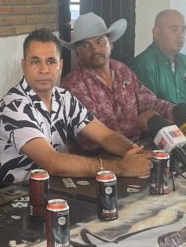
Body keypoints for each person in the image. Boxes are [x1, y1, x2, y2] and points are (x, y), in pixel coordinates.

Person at [0, 28, 152, 187]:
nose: (44, 70)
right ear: (24, 65)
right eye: (35, 62)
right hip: (10, 197)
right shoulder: (14, 107)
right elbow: (52, 162)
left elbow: (106, 136)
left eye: (51, 61)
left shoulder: (63, 98)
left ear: (60, 66)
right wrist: (121, 168)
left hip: (51, 189)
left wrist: (137, 154)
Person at [60, 12, 174, 150]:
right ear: (77, 51)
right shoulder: (73, 85)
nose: (95, 49)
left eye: (100, 41)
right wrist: (138, 123)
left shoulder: (122, 70)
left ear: (111, 43)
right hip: (101, 158)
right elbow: (90, 137)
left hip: (137, 148)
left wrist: (175, 110)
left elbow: (148, 102)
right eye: (85, 45)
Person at [131, 9, 186, 105]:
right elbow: (147, 108)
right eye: (174, 29)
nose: (181, 35)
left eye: (183, 30)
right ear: (156, 33)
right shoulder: (145, 64)